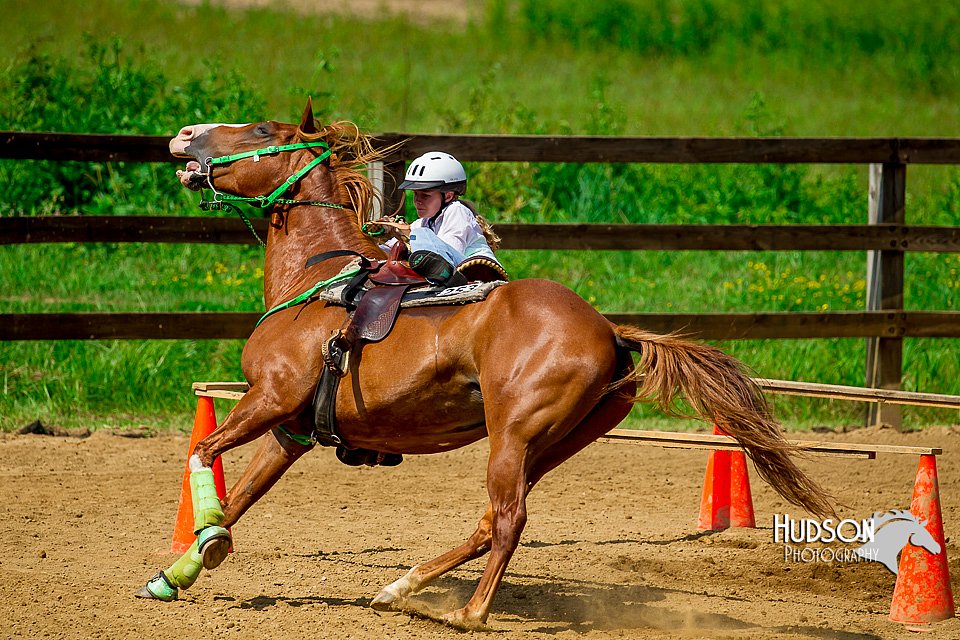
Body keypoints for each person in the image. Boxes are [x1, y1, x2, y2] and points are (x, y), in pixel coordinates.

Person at [369, 151, 502, 286]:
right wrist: (382, 239)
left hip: (480, 273)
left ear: (448, 196)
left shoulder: (457, 211)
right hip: (451, 270)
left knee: (420, 234)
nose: (417, 201)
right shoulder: (424, 222)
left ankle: (441, 275)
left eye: (425, 195)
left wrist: (409, 235)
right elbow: (392, 249)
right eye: (415, 194)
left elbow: (449, 252)